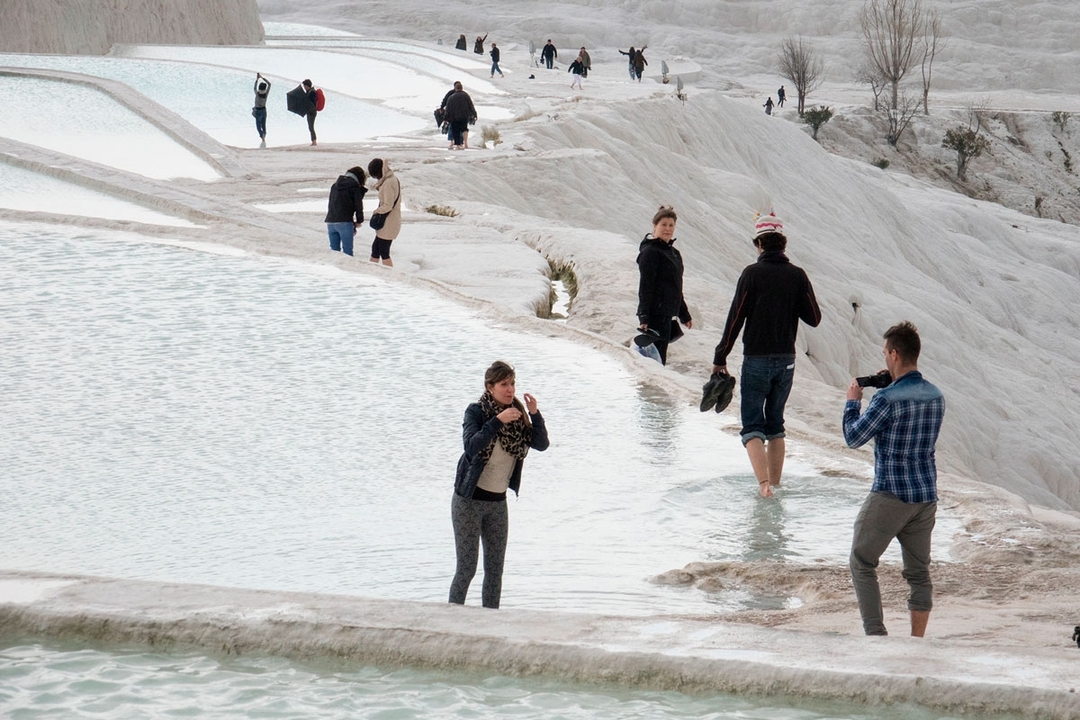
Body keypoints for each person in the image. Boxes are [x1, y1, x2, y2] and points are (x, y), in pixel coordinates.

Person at [844, 321, 945, 638]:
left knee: (861, 561)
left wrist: (852, 401)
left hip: (890, 494)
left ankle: (876, 636)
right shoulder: (936, 396)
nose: (885, 358)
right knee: (918, 572)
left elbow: (853, 437)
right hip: (925, 496)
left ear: (895, 354)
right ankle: (917, 641)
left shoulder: (886, 400)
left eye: (886, 353)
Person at [711, 212, 821, 497]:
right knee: (776, 424)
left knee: (752, 424)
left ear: (759, 244)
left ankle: (763, 486)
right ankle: (777, 484)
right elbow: (814, 317)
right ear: (782, 244)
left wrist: (720, 356)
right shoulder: (797, 275)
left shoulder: (751, 274)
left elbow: (735, 319)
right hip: (786, 360)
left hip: (756, 359)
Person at [449, 360, 549, 609]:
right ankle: (450, 618)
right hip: (468, 501)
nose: (510, 390)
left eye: (512, 383)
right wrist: (497, 421)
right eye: (504, 384)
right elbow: (471, 447)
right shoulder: (476, 412)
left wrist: (535, 415)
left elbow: (541, 444)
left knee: (495, 571)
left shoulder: (518, 415)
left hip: (497, 503)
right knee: (467, 568)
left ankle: (490, 622)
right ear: (489, 386)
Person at [637, 206, 693, 365]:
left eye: (671, 225)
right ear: (654, 226)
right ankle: (645, 389)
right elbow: (645, 286)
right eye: (663, 224)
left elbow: (676, 286)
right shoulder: (650, 252)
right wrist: (644, 316)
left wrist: (684, 313)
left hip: (667, 315)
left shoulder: (674, 253)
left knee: (660, 358)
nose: (667, 229)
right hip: (655, 314)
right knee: (653, 360)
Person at [324, 166, 366, 256]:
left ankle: (334, 269)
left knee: (334, 253)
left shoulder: (334, 186)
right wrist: (359, 221)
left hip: (330, 221)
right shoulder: (354, 187)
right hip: (345, 222)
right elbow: (359, 206)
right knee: (347, 253)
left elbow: (331, 203)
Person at [367, 158, 401, 267]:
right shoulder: (390, 179)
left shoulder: (388, 183)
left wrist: (376, 211)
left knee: (383, 251)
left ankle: (389, 275)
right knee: (376, 249)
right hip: (388, 221)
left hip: (389, 222)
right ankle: (372, 271)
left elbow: (388, 205)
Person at [443, 81, 477, 150]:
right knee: (464, 129)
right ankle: (466, 143)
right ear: (462, 88)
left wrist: (445, 118)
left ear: (455, 88)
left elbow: (448, 109)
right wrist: (474, 114)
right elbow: (471, 105)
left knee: (455, 130)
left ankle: (458, 145)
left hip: (454, 117)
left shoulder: (451, 97)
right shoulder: (466, 95)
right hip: (464, 116)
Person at [252, 73, 270, 147]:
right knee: (263, 124)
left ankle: (262, 136)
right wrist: (262, 78)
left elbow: (254, 88)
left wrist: (257, 79)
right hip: (264, 110)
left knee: (258, 125)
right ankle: (264, 135)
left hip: (258, 110)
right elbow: (269, 84)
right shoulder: (266, 93)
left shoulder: (257, 93)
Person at [302, 79, 318, 146]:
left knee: (311, 126)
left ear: (306, 85)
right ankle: (313, 141)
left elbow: (312, 102)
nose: (304, 87)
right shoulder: (309, 91)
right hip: (311, 111)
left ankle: (314, 141)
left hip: (312, 111)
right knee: (310, 126)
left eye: (304, 86)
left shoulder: (311, 92)